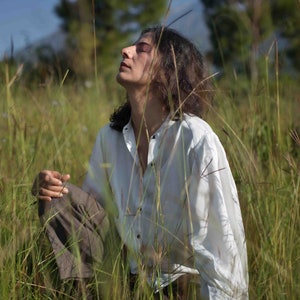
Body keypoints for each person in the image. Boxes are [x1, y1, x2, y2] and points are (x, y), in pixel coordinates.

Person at [32, 26, 248, 299]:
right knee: (58, 199)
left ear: (169, 68)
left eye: (142, 49)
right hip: (123, 274)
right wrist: (48, 188)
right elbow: (91, 214)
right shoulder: (109, 137)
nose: (126, 51)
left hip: (179, 283)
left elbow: (220, 241)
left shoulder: (195, 137)